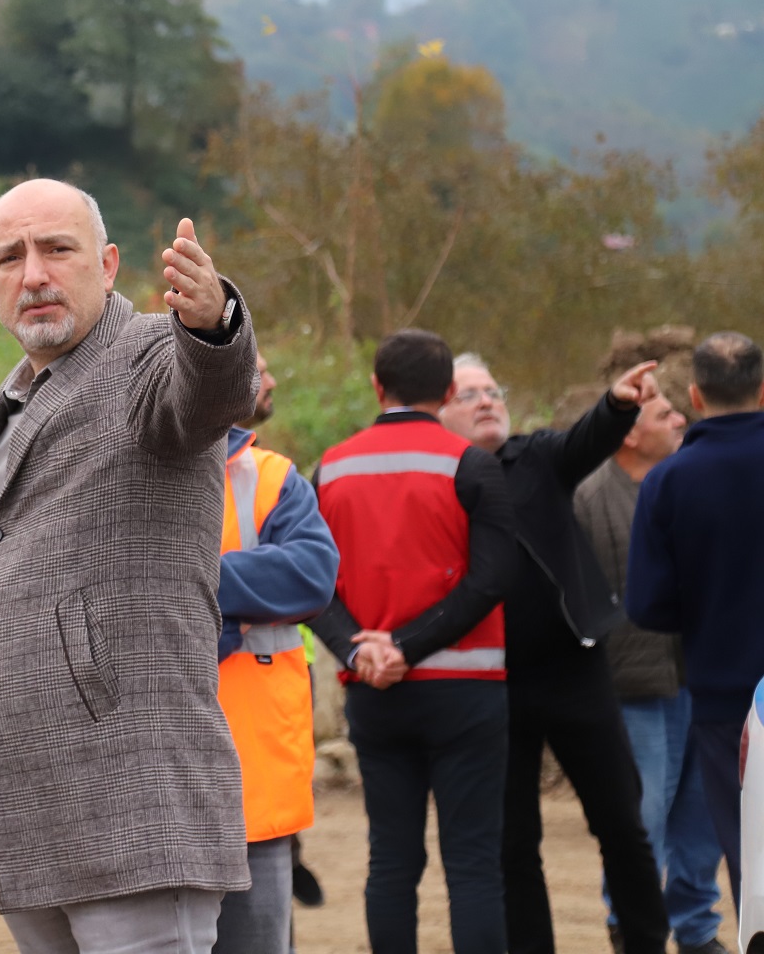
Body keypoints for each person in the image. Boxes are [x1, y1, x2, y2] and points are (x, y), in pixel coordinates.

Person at [0, 178, 259, 954]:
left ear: (108, 265)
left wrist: (214, 324)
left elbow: (209, 390)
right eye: (9, 257)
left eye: (57, 249)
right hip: (31, 809)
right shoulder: (14, 403)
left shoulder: (149, 351)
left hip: (133, 804)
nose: (34, 274)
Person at [437, 352, 668, 954]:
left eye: (493, 389)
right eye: (470, 394)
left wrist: (618, 403)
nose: (488, 400)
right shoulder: (438, 479)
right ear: (438, 411)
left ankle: (645, 943)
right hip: (492, 684)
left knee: (623, 826)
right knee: (515, 845)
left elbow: (588, 440)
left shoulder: (536, 457)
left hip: (575, 672)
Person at [309, 329, 520, 954]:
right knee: (474, 864)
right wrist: (410, 644)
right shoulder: (471, 465)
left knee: (392, 863)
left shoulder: (332, 467)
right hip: (467, 692)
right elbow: (491, 580)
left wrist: (359, 649)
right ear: (450, 390)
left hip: (374, 692)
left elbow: (312, 584)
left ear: (378, 387)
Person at [576, 384, 726, 954]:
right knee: (642, 818)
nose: (680, 418)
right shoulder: (588, 497)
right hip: (629, 688)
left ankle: (696, 927)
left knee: (703, 813)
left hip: (698, 678)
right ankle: (630, 925)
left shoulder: (689, 487)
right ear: (630, 433)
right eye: (665, 414)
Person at [211, 353, 341, 954]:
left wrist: (195, 584)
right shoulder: (121, 474)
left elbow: (313, 576)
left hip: (255, 785)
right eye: (258, 367)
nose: (272, 378)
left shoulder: (271, 477)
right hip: (151, 784)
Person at [627, 331, 764, 898]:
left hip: (726, 700)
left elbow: (647, 606)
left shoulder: (668, 481)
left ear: (696, 396)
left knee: (750, 856)